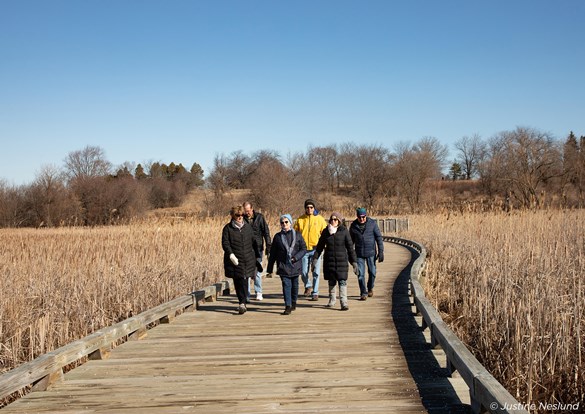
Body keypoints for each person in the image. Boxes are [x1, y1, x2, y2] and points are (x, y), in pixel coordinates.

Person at [312, 212, 358, 311]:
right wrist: (315, 259)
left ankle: (344, 302)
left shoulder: (344, 231)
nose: (333, 221)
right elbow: (319, 247)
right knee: (331, 281)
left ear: (339, 221)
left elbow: (350, 248)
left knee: (342, 281)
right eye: (332, 219)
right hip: (329, 261)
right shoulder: (325, 232)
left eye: (335, 219)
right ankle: (332, 300)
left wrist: (354, 262)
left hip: (342, 261)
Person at [222, 205, 262, 314]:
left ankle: (243, 302)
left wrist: (257, 256)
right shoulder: (228, 229)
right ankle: (241, 300)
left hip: (247, 258)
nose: (240, 217)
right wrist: (230, 254)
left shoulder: (247, 227)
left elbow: (254, 241)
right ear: (232, 216)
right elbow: (225, 243)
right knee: (237, 280)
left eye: (241, 215)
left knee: (244, 279)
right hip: (235, 259)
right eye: (237, 215)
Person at [266, 214, 307, 315]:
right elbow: (273, 253)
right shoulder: (278, 237)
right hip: (283, 265)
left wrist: (296, 257)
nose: (284, 224)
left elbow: (303, 249)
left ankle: (293, 301)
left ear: (290, 223)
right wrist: (270, 268)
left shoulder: (297, 235)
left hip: (295, 265)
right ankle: (287, 305)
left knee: (295, 286)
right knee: (286, 285)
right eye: (282, 222)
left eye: (286, 222)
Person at [294, 198, 328, 301]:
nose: (309, 209)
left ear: (314, 208)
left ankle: (315, 292)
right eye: (307, 207)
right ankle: (308, 285)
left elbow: (325, 233)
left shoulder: (320, 219)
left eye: (311, 207)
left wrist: (325, 245)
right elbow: (295, 234)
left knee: (316, 272)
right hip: (303, 250)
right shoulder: (300, 220)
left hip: (316, 250)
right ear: (305, 208)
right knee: (304, 272)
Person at [349, 207, 384, 300]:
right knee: (360, 274)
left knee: (372, 272)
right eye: (360, 217)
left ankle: (370, 287)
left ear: (366, 216)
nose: (362, 219)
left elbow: (379, 238)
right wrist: (350, 255)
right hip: (359, 253)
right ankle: (363, 292)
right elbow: (350, 242)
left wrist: (381, 251)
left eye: (363, 217)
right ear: (357, 217)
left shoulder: (372, 224)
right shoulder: (353, 226)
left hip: (371, 253)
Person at [243, 201, 272, 301]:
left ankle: (258, 292)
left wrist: (269, 246)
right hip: (246, 249)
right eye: (245, 211)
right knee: (246, 272)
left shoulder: (259, 217)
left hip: (258, 248)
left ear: (252, 209)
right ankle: (247, 294)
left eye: (248, 211)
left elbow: (266, 232)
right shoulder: (242, 219)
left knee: (257, 271)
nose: (247, 213)